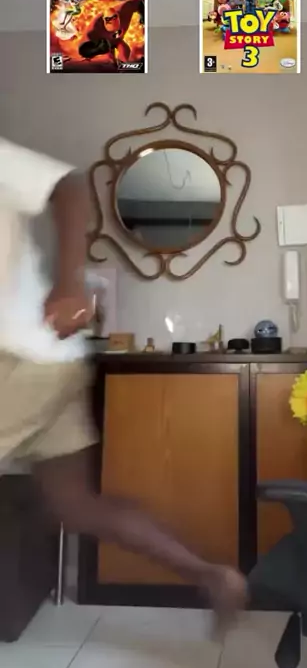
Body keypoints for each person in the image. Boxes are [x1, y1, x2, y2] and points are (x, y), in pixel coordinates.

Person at [0, 137, 247, 627]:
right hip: (53, 359)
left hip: (22, 360)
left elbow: (68, 187)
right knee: (77, 506)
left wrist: (69, 282)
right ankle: (211, 575)